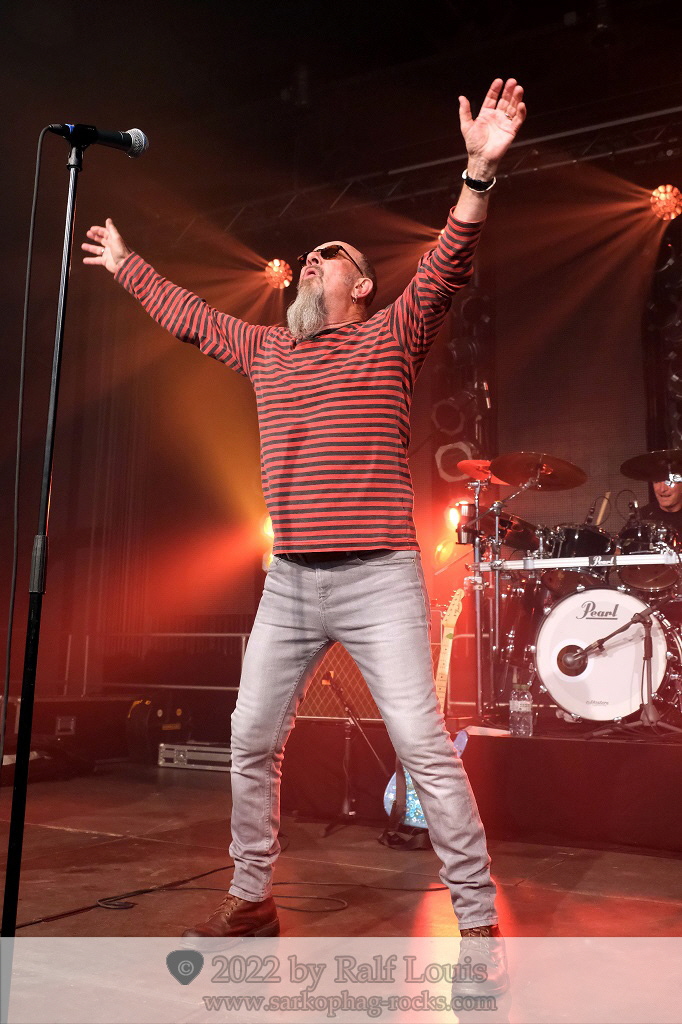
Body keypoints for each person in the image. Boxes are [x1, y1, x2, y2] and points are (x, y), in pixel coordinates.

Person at [82, 79, 526, 964]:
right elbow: (190, 318)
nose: (312, 259)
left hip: (378, 577)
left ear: (360, 283)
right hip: (289, 583)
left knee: (421, 744)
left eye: (330, 255)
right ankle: (251, 900)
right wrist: (128, 264)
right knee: (250, 739)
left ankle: (477, 919)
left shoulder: (391, 335)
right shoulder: (267, 348)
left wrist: (477, 172)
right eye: (309, 254)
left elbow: (447, 261)